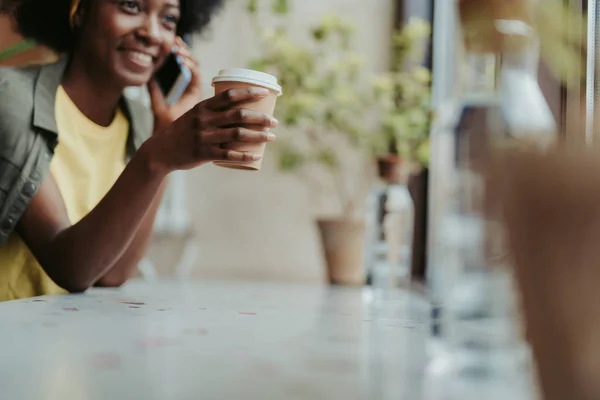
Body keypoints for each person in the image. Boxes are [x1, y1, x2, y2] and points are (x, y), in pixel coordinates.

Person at [0, 0, 278, 301]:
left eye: (168, 18)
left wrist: (162, 136)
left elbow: (114, 273)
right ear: (79, 10)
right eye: (131, 6)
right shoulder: (9, 99)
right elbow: (72, 269)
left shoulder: (141, 121)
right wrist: (157, 156)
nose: (152, 34)